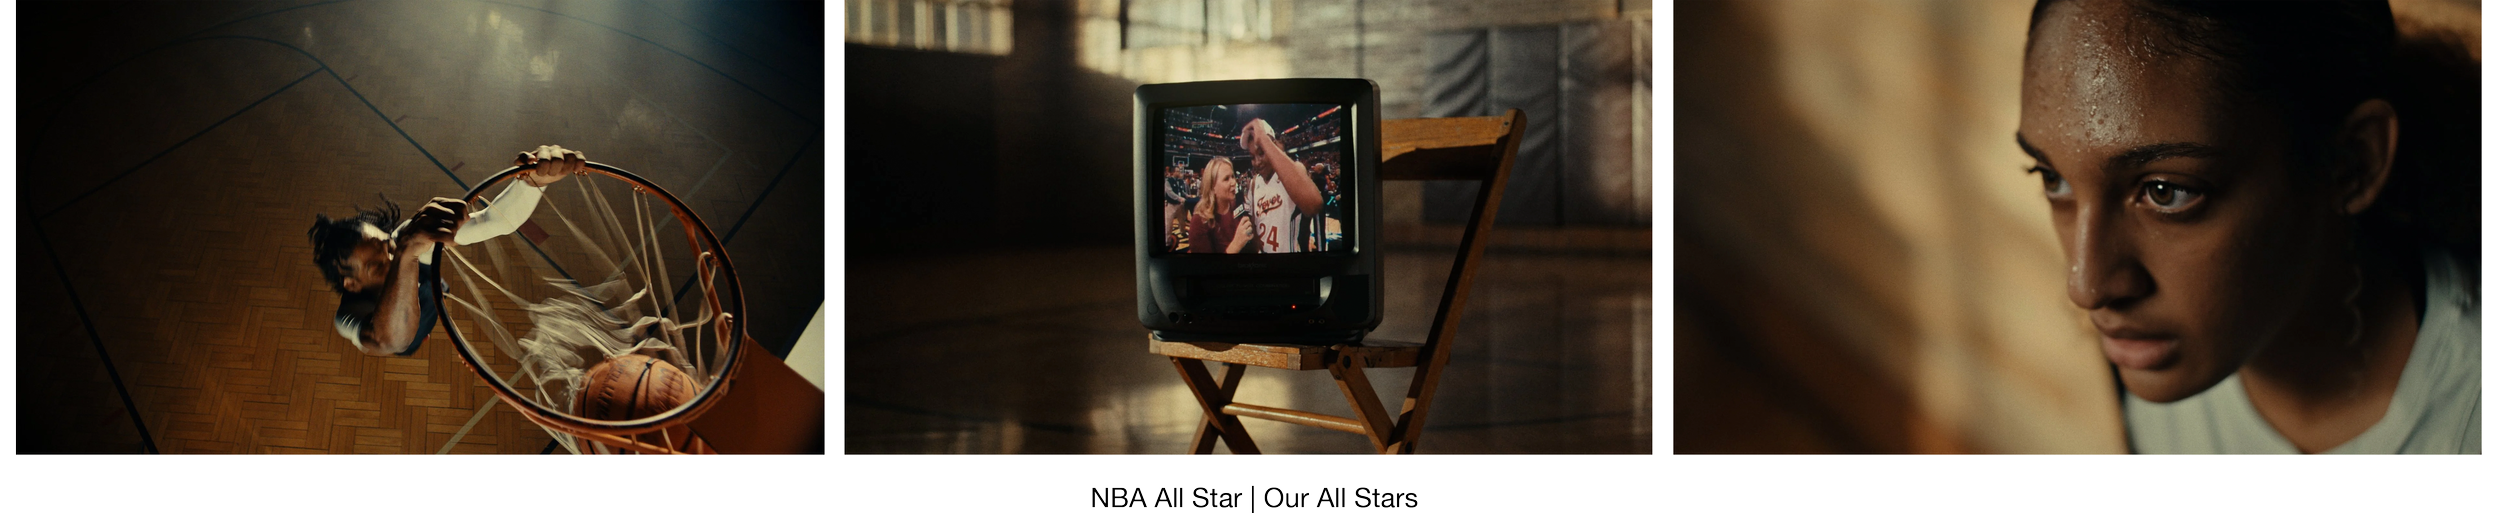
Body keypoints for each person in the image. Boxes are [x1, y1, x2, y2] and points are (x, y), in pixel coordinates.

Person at [2018, 0, 2478, 454]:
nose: (2087, 285)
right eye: (2054, 179)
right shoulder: (2153, 356)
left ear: (2351, 163)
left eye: (2165, 191)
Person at [307, 145, 589, 357]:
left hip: (426, 289)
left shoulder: (408, 238)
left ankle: (432, 293)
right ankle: (429, 305)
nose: (392, 260)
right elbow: (389, 341)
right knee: (406, 335)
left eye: (390, 247)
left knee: (425, 272)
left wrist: (533, 182)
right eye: (377, 267)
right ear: (352, 284)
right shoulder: (347, 316)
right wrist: (406, 253)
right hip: (403, 333)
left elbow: (493, 221)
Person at [1238, 117, 1324, 253]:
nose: (1257, 162)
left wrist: (1264, 140)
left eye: (1261, 153)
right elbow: (1254, 224)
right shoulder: (1255, 183)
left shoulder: (1293, 171)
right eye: (1252, 157)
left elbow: (1314, 206)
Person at [1182, 157, 1256, 254]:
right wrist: (1236, 244)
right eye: (1226, 179)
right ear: (1212, 187)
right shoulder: (1200, 222)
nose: (1233, 182)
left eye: (1233, 176)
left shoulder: (1237, 205)